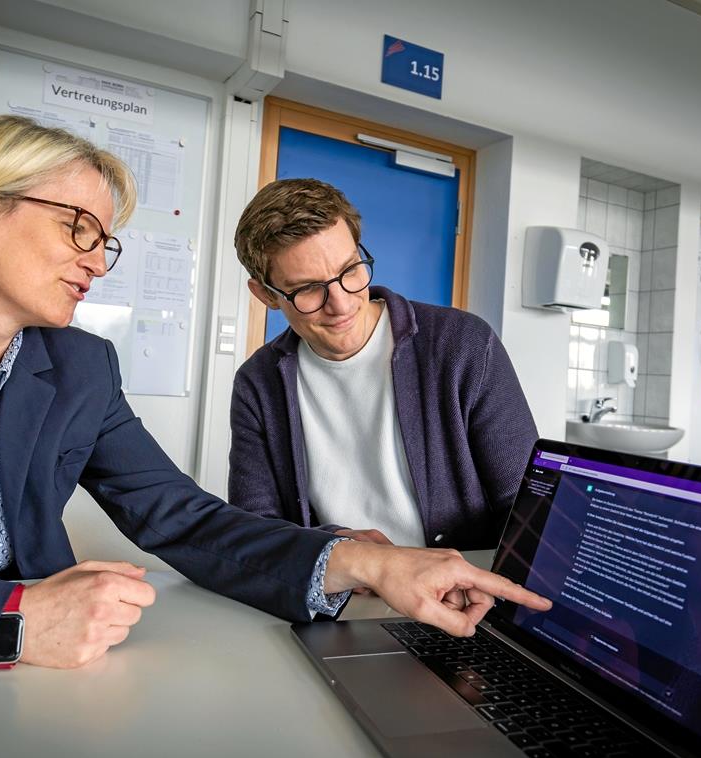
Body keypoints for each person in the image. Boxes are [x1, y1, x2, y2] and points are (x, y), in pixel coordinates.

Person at [0, 116, 549, 681]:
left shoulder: (78, 366)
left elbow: (185, 519)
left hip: (24, 682)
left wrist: (371, 564)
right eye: (80, 229)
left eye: (109, 243)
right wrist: (11, 617)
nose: (99, 262)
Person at [230, 178, 537, 551]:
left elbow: (529, 510)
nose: (341, 305)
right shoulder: (257, 384)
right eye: (309, 288)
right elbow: (255, 528)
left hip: (461, 592)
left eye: (350, 270)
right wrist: (335, 551)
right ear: (266, 294)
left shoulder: (464, 345)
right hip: (334, 594)